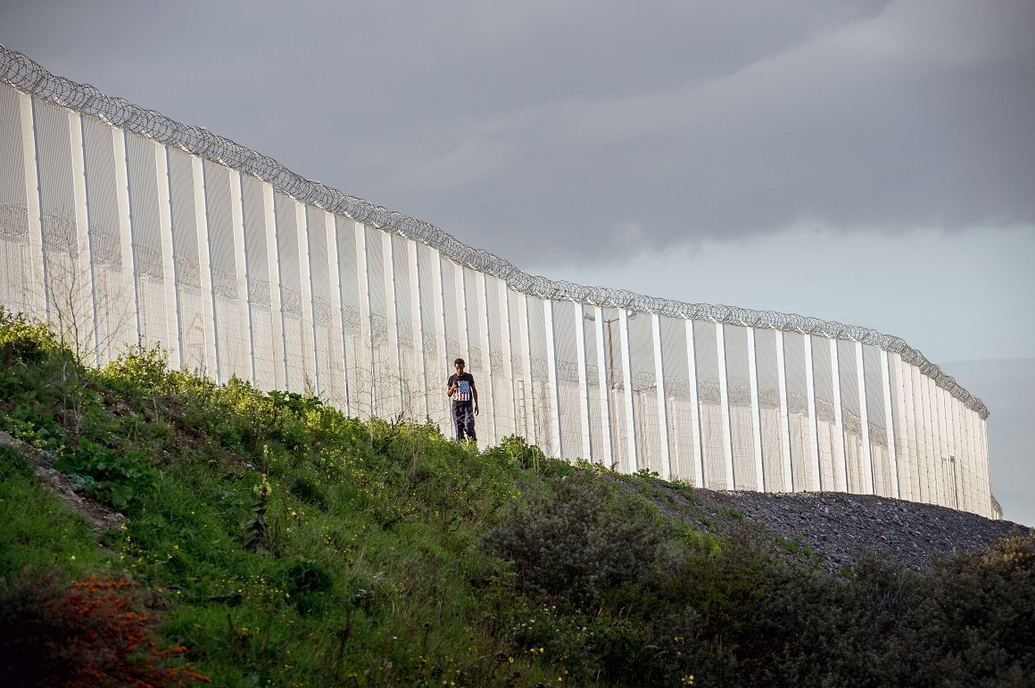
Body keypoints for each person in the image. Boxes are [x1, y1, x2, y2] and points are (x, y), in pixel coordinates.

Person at [446, 357, 479, 442]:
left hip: (467, 406)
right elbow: (449, 394)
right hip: (457, 406)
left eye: (461, 368)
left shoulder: (468, 377)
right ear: (455, 368)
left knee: (469, 426)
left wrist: (476, 405)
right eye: (457, 368)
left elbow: (474, 390)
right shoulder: (452, 378)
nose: (459, 370)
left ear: (463, 367)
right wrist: (453, 387)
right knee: (458, 429)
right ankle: (461, 448)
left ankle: (472, 443)